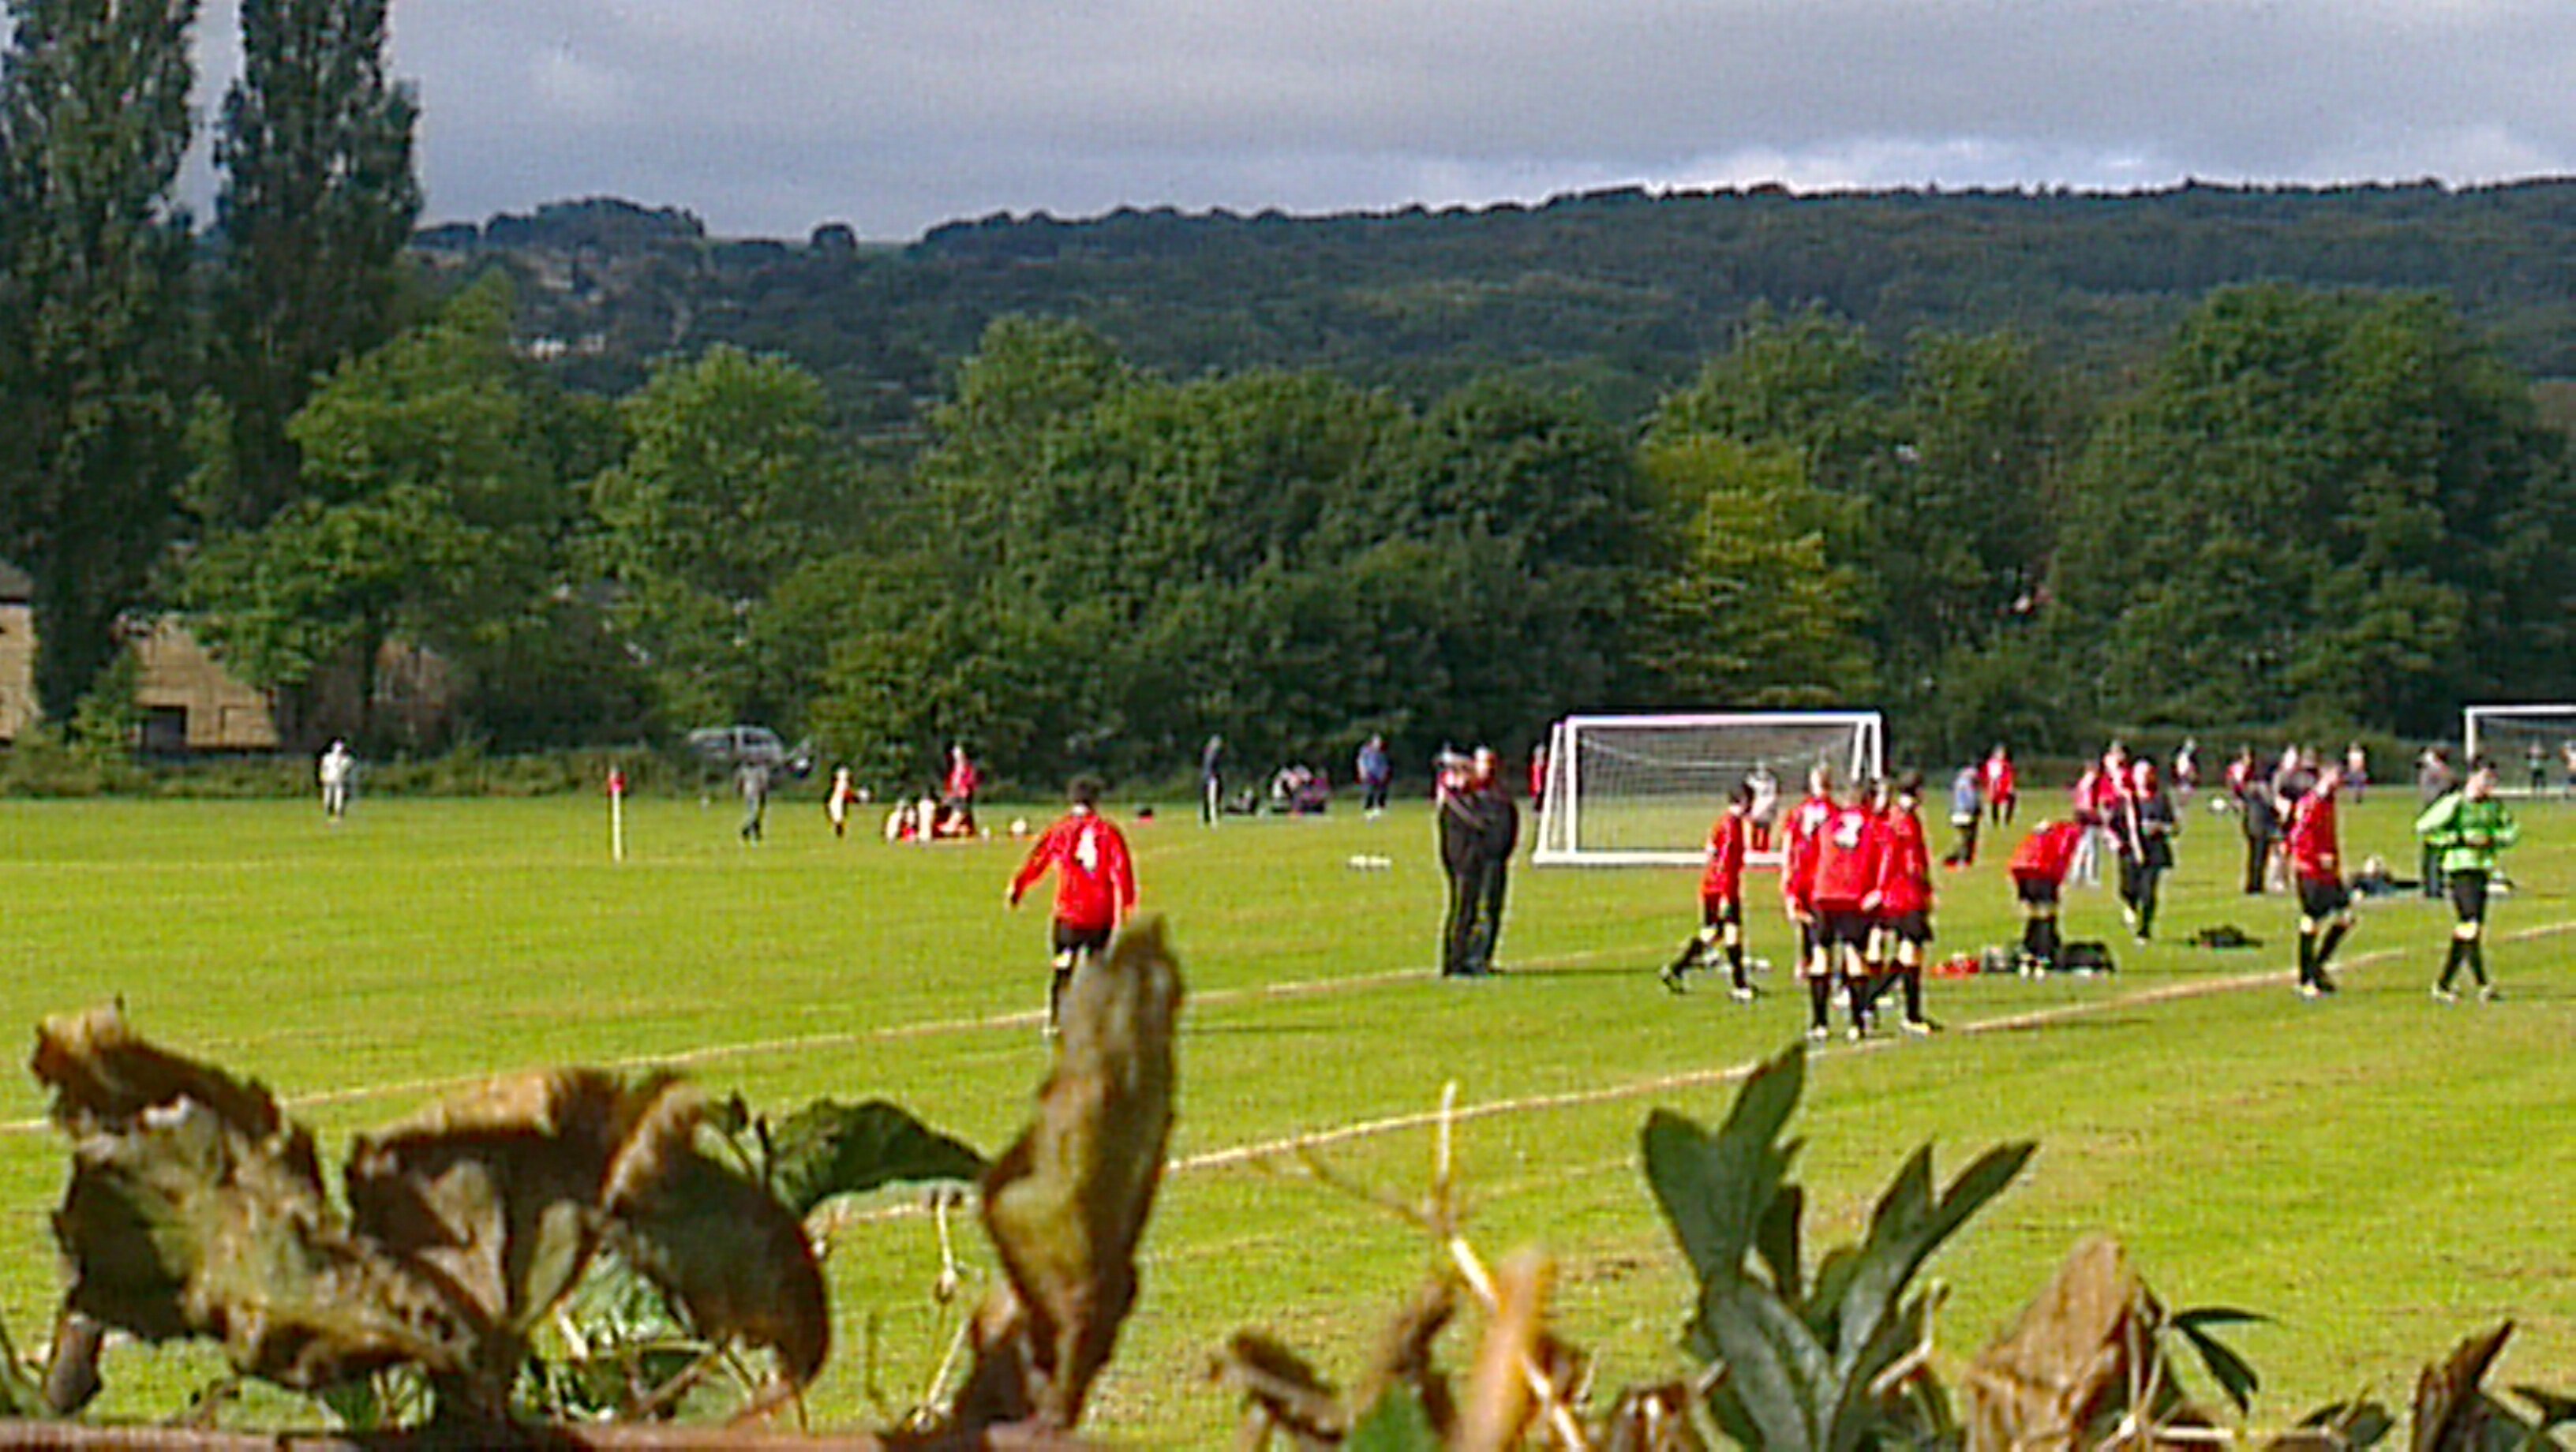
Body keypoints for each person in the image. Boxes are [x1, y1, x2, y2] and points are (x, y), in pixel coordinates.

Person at [1007, 777, 1139, 1036]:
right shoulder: (1108, 831)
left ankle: (1056, 1020)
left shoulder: (1061, 829)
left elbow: (1039, 859)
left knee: (1063, 966)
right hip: (1100, 914)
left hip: (1069, 913)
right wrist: (1128, 903)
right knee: (1097, 968)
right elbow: (1122, 868)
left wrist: (1019, 886)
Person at [2417, 759, 2519, 1003]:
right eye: (2485, 779)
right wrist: (2456, 838)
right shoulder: (2455, 803)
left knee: (2470, 929)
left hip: (2481, 868)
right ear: (2472, 778)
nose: (2489, 785)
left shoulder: (2494, 807)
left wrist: (2492, 839)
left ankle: (2447, 984)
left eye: (2492, 781)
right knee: (2470, 924)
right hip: (2459, 868)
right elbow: (2424, 827)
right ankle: (2479, 984)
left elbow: (2512, 831)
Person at [1661, 780, 1756, 999]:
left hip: (1712, 886)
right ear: (1743, 801)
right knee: (1731, 934)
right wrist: (1725, 895)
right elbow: (1724, 861)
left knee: (1713, 934)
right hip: (1723, 888)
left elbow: (1711, 851)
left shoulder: (1722, 822)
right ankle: (1739, 986)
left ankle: (1676, 970)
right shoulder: (1732, 825)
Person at [1806, 777, 1881, 1040]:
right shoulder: (1873, 826)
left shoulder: (1828, 822)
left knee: (1820, 955)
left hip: (1823, 893)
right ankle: (1856, 1023)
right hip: (1852, 895)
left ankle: (1819, 1024)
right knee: (1853, 955)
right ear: (1868, 800)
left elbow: (1812, 855)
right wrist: (1876, 890)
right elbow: (1878, 859)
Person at [1866, 771, 1937, 1034]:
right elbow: (1896, 858)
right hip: (1904, 896)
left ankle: (1873, 1002)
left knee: (1909, 954)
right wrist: (1882, 889)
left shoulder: (1901, 817)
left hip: (1905, 893)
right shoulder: (1901, 821)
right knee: (1911, 954)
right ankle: (1900, 1011)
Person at [2286, 762, 2353, 998]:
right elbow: (2298, 834)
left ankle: (2317, 967)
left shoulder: (2329, 802)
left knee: (2346, 917)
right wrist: (2313, 857)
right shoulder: (2312, 802)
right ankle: (2306, 979)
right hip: (2310, 870)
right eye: (2336, 776)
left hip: (2328, 872)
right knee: (2311, 921)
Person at [2008, 818, 2086, 972]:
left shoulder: (2041, 835)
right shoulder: (2069, 835)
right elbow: (2061, 859)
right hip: (2041, 872)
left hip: (2023, 872)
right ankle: (2044, 953)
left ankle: (2030, 950)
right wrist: (2056, 882)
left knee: (2034, 913)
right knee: (2046, 914)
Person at [2114, 762, 2177, 941]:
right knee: (2129, 888)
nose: (2145, 778)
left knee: (2149, 892)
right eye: (2141, 774)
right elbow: (2113, 825)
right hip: (2130, 851)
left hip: (2154, 851)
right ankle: (2131, 906)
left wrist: (2160, 828)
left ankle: (2145, 930)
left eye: (2149, 773)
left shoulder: (2161, 798)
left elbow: (2174, 826)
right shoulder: (2127, 800)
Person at [2416, 747, 2457, 898]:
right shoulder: (2430, 773)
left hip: (2442, 816)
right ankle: (2431, 887)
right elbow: (2429, 795)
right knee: (2431, 853)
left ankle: (2436, 885)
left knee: (2439, 853)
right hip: (2433, 816)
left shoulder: (2443, 773)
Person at [1941, 763, 1982, 867]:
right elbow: (1970, 800)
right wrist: (1976, 810)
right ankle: (1961, 859)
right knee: (1966, 838)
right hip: (1965, 813)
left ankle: (1958, 857)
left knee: (1961, 837)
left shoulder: (1957, 783)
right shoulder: (1967, 784)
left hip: (1956, 813)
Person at [943, 743, 982, 833]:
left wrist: (964, 789)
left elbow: (970, 783)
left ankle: (952, 825)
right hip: (953, 795)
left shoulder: (968, 769)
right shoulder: (952, 769)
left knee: (960, 804)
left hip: (962, 796)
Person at [317, 739, 356, 821]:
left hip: (338, 780)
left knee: (338, 796)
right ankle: (329, 811)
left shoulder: (345, 760)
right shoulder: (328, 758)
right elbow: (324, 768)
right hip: (330, 779)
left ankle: (337, 812)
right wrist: (323, 776)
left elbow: (349, 766)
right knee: (329, 796)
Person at [736, 758, 773, 842]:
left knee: (756, 813)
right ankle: (746, 830)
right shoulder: (759, 770)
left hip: (750, 793)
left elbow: (740, 781)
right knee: (755, 813)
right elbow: (764, 783)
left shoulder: (745, 770)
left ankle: (756, 832)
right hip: (755, 793)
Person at [1356, 735, 1392, 818]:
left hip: (1379, 775)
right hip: (1370, 774)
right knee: (1369, 792)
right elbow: (1361, 761)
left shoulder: (1381, 753)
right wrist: (1362, 771)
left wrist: (1384, 773)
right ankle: (1368, 810)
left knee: (1382, 793)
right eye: (1377, 742)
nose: (1378, 745)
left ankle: (1381, 809)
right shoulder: (1366, 750)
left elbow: (1384, 764)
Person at [1983, 745, 2018, 826]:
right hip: (1998, 786)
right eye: (2000, 753)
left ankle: (2005, 821)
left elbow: (2009, 776)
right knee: (1995, 804)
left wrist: (2011, 785)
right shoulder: (1993, 763)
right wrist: (1992, 788)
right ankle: (1996, 821)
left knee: (2009, 802)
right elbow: (1993, 777)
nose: (2002, 755)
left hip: (2004, 786)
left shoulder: (2006, 764)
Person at [826, 765, 859, 838]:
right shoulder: (843, 783)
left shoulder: (840, 783)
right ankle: (839, 832)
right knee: (838, 818)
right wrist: (854, 798)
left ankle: (839, 831)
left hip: (837, 801)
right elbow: (846, 793)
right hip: (837, 801)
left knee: (838, 818)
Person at [1200, 735, 1225, 825]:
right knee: (1212, 800)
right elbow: (1213, 768)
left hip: (1206, 778)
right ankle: (1213, 819)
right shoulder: (1213, 754)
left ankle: (1207, 818)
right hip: (1211, 778)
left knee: (1208, 800)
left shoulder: (1207, 753)